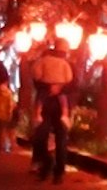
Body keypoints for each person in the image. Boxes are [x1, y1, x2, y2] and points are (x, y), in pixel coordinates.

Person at [26, 34, 77, 179]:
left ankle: (46, 163)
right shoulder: (68, 65)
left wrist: (48, 88)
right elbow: (72, 83)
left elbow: (35, 77)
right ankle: (59, 170)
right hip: (61, 103)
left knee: (42, 133)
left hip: (45, 100)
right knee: (61, 136)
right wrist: (60, 88)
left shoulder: (43, 61)